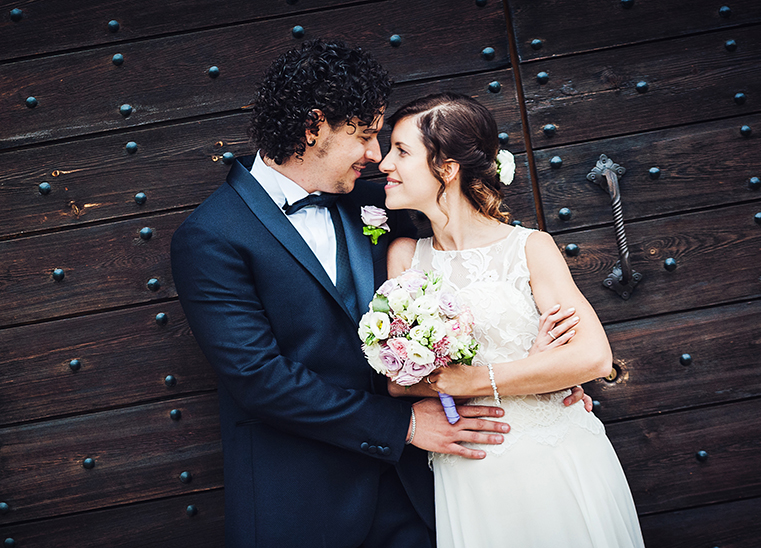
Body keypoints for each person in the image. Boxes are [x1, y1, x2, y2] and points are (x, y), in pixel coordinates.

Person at [171, 39, 593, 547]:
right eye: (367, 136)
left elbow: (476, 271)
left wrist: (542, 378)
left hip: (423, 493)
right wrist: (404, 426)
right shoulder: (212, 235)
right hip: (306, 499)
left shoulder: (383, 202)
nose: (376, 156)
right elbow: (259, 379)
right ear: (314, 125)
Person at [379, 92, 645, 547]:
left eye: (401, 151)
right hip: (472, 465)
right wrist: (535, 369)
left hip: (556, 451)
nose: (384, 163)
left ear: (446, 168)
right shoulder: (405, 257)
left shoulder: (529, 248)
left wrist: (470, 380)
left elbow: (595, 357)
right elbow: (399, 382)